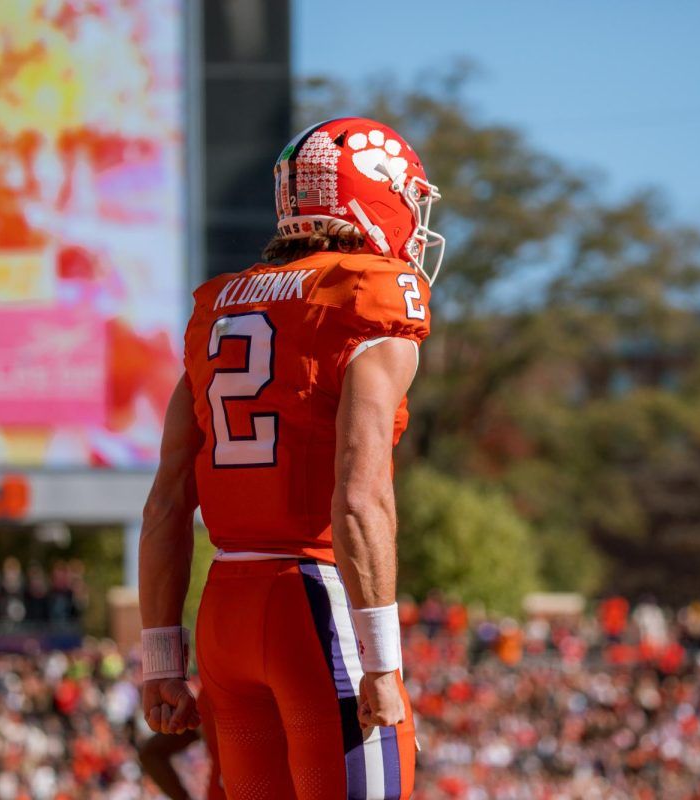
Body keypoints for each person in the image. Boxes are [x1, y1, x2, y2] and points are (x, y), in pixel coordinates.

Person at [138, 117, 444, 798]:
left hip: (225, 609)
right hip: (312, 603)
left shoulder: (219, 308)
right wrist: (382, 661)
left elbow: (165, 503)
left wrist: (160, 657)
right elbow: (360, 498)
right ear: (375, 198)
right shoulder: (367, 303)